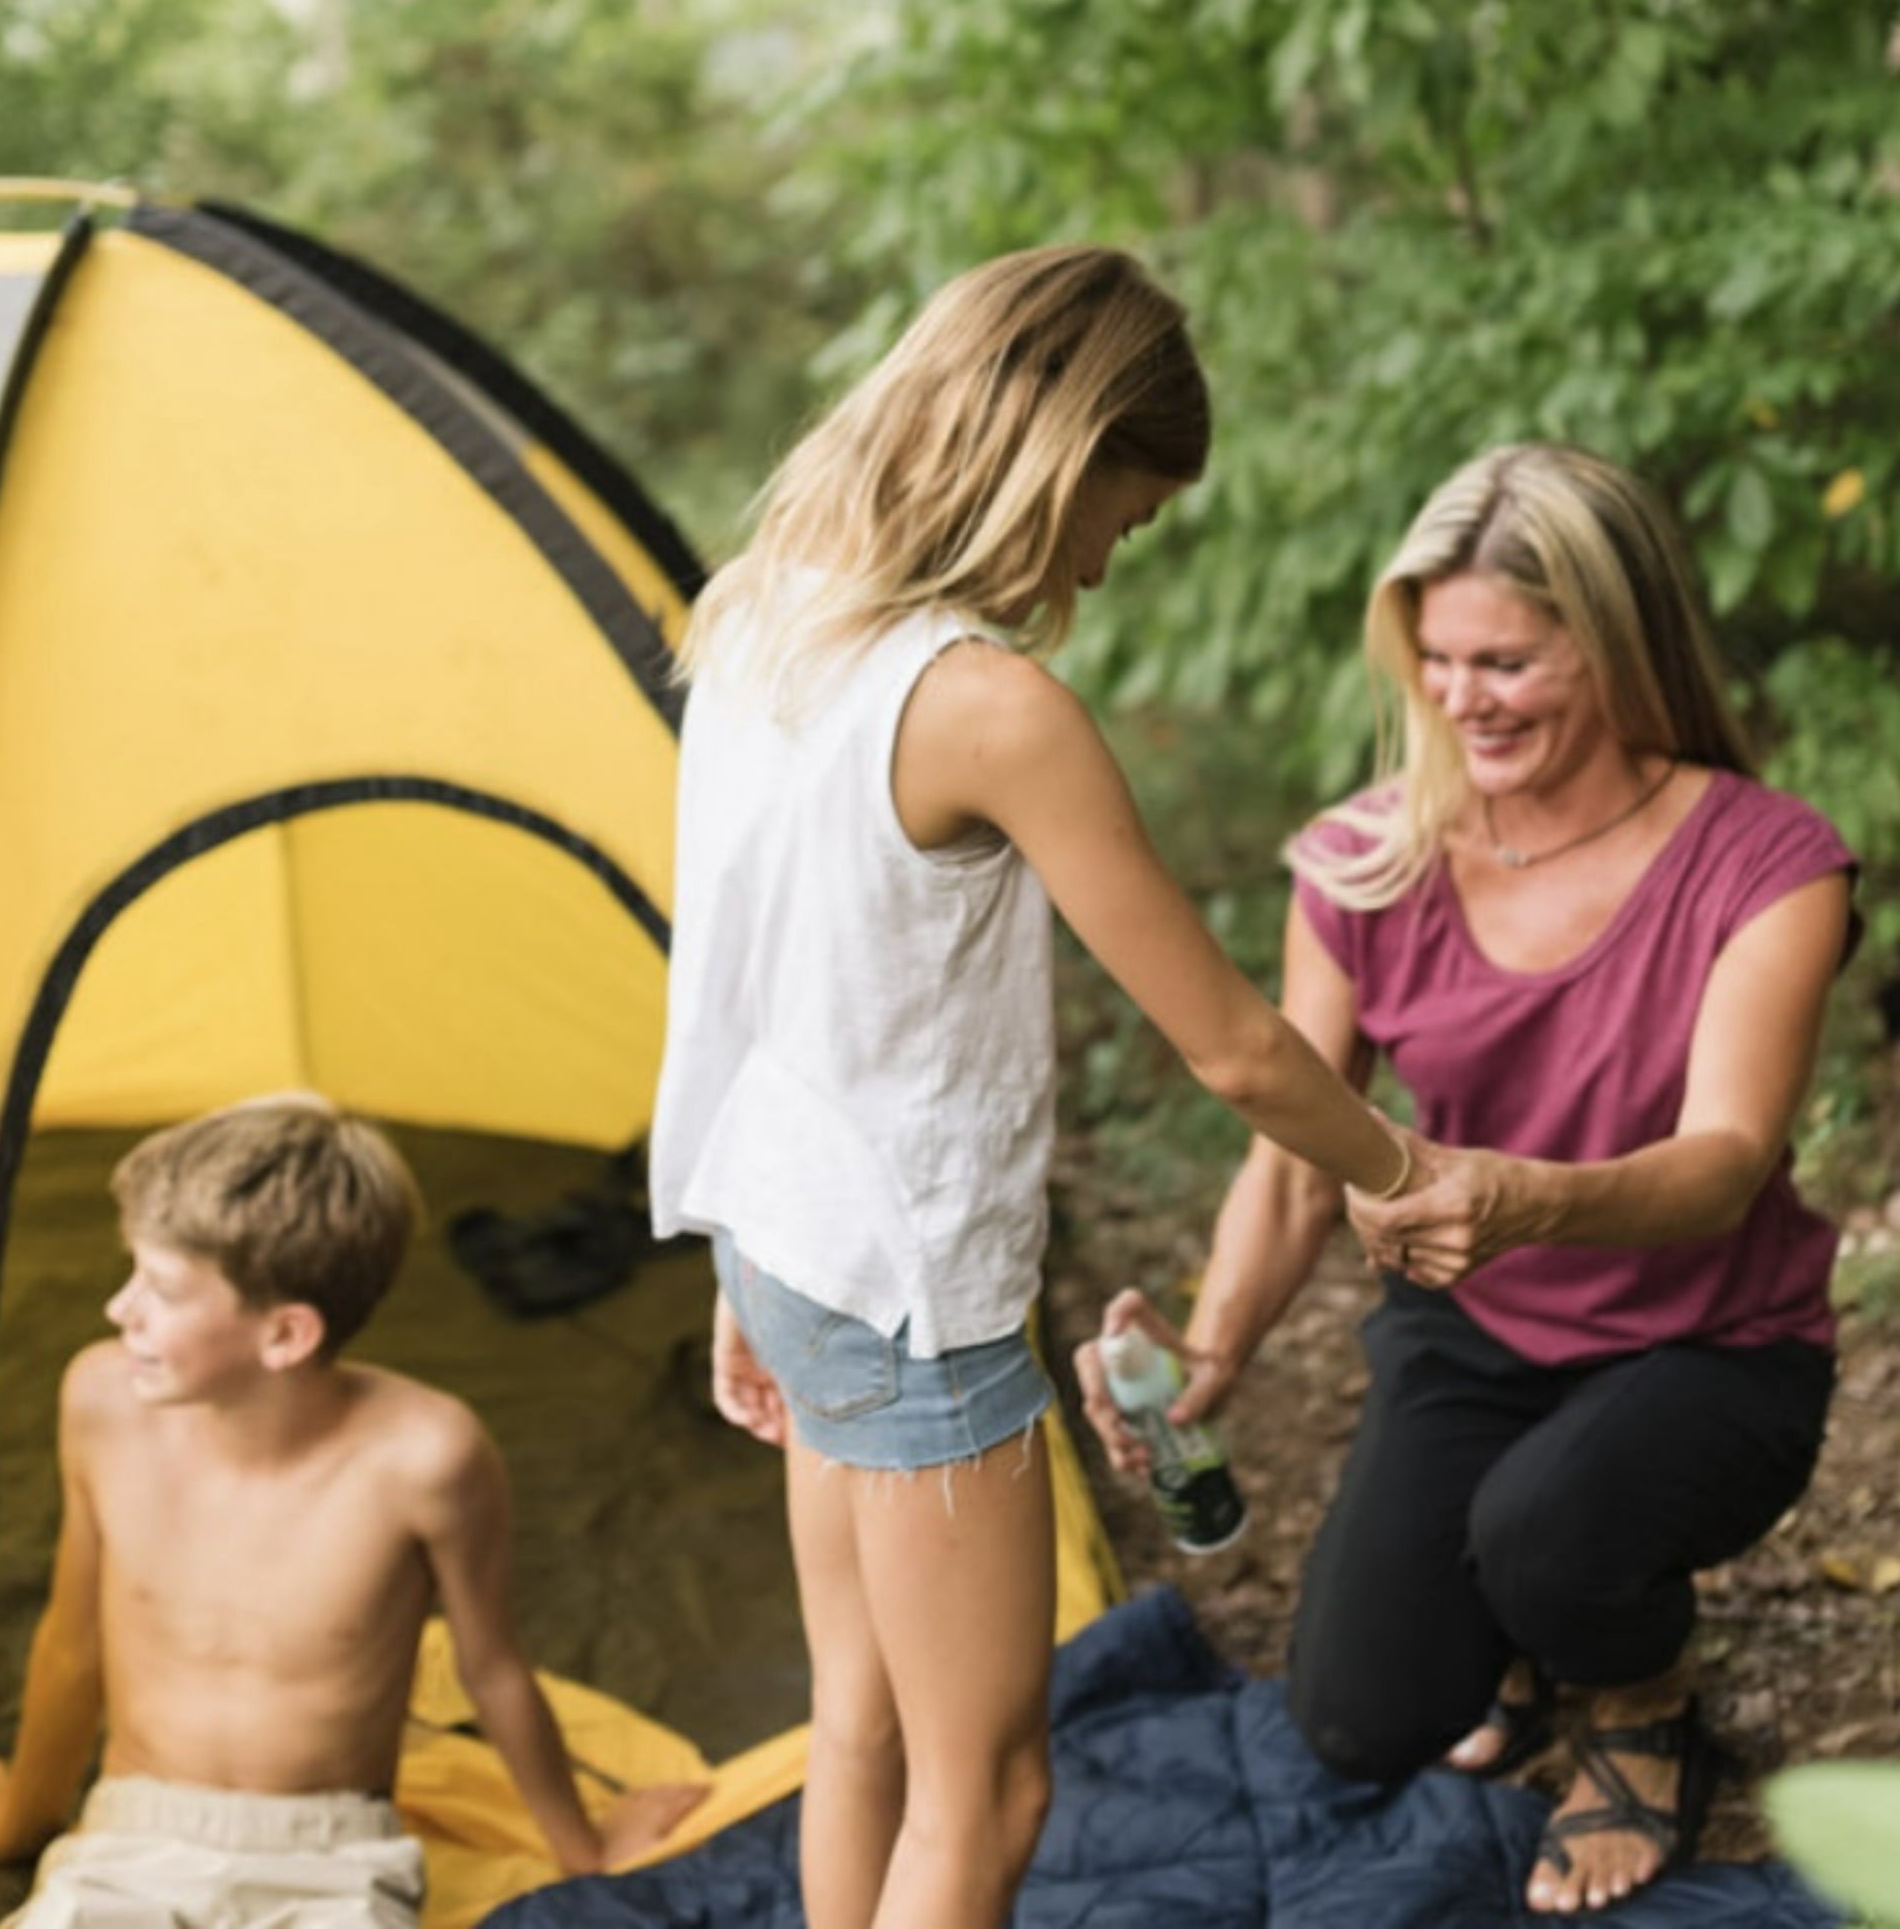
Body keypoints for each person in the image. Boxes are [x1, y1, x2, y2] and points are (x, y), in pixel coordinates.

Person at [648, 246, 1480, 1929]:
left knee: (861, 1726)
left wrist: (744, 1257)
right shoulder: (987, 707)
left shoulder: (762, 615)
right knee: (994, 1781)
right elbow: (1239, 1046)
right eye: (1129, 510)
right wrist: (1405, 1171)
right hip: (909, 1296)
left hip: (792, 1246)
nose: (1109, 559)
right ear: (1061, 453)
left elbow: (730, 963)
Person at [1076, 443, 1857, 1916]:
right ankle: (1522, 1609)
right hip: (1477, 1337)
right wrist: (1211, 1352)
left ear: (1615, 645)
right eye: (1434, 659)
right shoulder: (1369, 862)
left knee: (1547, 1529)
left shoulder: (1767, 864)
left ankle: (1641, 1705)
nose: (1458, 697)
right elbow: (1296, 1163)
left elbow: (1725, 1166)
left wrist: (1525, 1198)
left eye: (1505, 659)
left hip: (1710, 1340)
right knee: (1359, 1723)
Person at [0, 1092, 704, 1925]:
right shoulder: (100, 1400)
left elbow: (492, 1667)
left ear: (285, 1335)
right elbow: (72, 1640)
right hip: (133, 1838)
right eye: (131, 1270)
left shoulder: (425, 1457)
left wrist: (586, 1851)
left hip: (331, 1860)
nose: (121, 1308)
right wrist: (16, 1826)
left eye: (163, 1289)